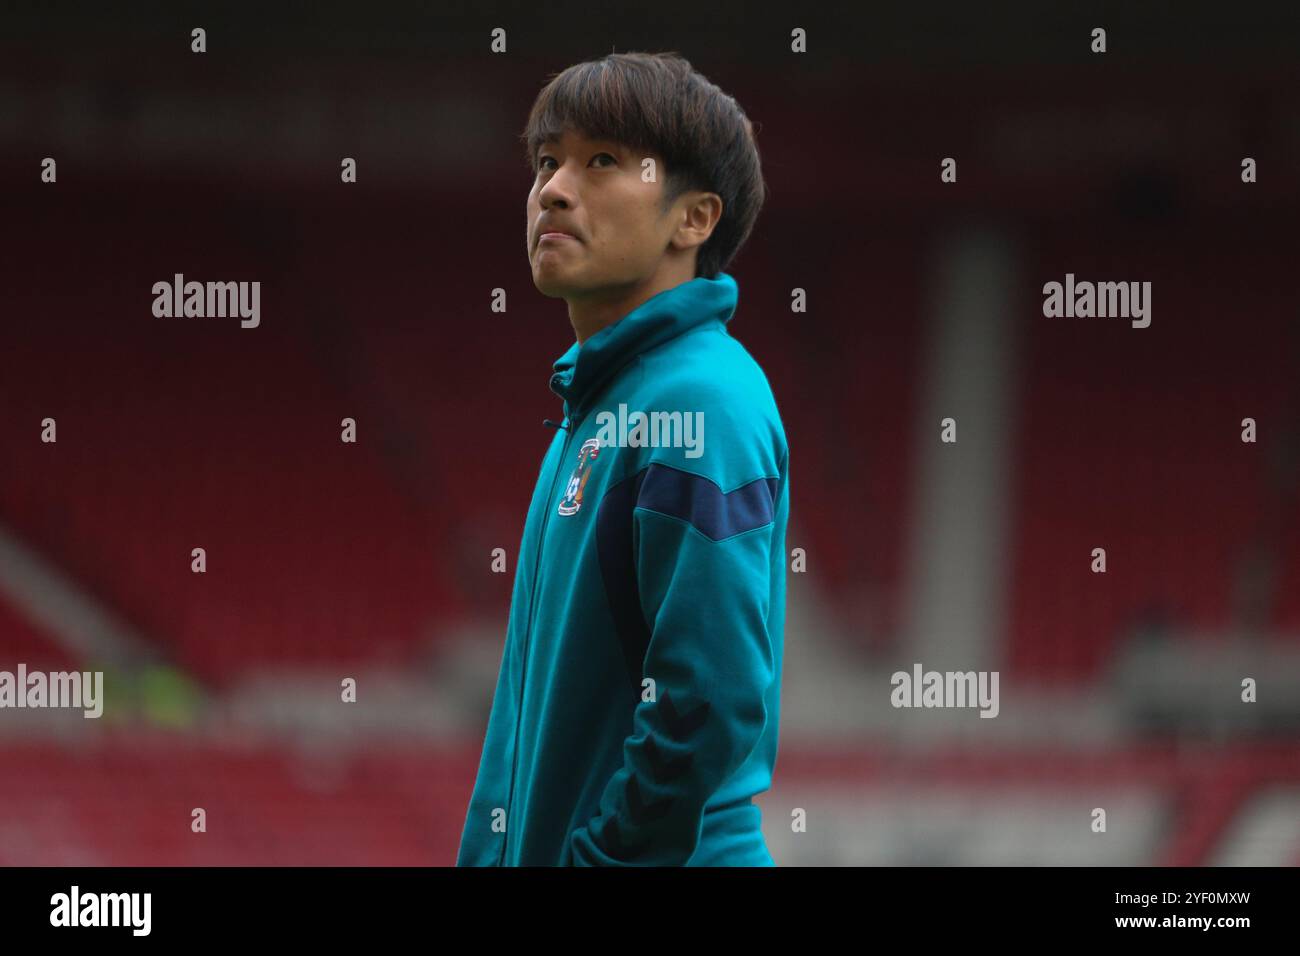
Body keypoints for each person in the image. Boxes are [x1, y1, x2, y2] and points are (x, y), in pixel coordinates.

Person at [456, 50, 788, 866]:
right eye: (547, 161)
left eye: (602, 161)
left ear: (693, 219)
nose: (554, 189)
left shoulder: (699, 402)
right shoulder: (597, 409)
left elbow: (707, 700)